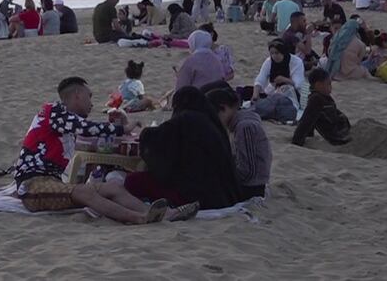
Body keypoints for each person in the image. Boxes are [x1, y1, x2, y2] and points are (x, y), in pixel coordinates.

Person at [13, 77, 169, 224]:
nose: (91, 103)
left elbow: (88, 133)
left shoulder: (64, 122)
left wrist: (119, 126)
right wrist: (122, 128)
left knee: (113, 188)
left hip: (53, 182)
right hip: (32, 185)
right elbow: (88, 128)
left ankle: (162, 214)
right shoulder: (52, 111)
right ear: (77, 95)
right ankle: (140, 218)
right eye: (89, 96)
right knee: (84, 193)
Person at [125, 87, 238, 211]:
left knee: (132, 181)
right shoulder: (211, 123)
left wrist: (145, 133)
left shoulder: (186, 119)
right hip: (222, 194)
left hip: (194, 194)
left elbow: (155, 140)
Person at [207, 86, 270, 200]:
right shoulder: (239, 125)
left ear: (224, 108)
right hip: (249, 184)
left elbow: (248, 171)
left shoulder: (245, 127)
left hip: (251, 188)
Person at [292, 68, 352, 146]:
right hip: (338, 138)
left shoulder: (323, 98)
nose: (331, 87)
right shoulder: (317, 99)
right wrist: (296, 142)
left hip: (341, 133)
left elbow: (309, 120)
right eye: (328, 84)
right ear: (318, 85)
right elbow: (306, 123)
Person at [252, 39, 308, 110]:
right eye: (272, 53)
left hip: (294, 93)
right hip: (273, 91)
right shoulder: (269, 62)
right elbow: (260, 78)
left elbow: (298, 84)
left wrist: (284, 80)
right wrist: (255, 96)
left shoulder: (296, 62)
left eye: (277, 53)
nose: (274, 56)